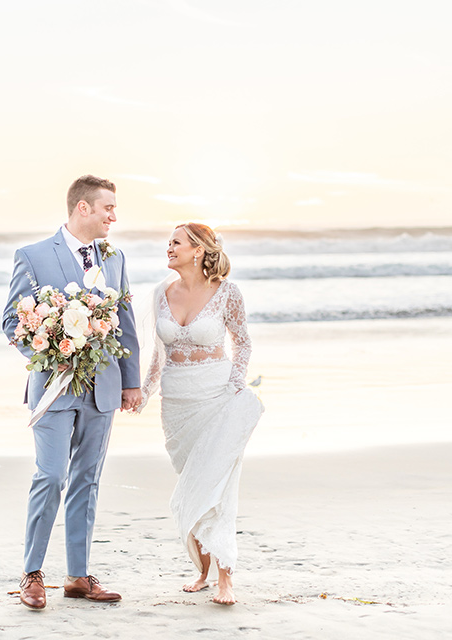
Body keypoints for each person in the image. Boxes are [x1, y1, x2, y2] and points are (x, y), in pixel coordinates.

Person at [2, 175, 142, 610]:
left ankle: (79, 577)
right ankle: (32, 574)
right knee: (52, 475)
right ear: (83, 208)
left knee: (88, 478)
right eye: (107, 209)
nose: (113, 217)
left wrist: (131, 380)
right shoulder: (34, 256)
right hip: (54, 387)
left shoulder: (115, 258)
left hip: (103, 388)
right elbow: (12, 321)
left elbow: (126, 320)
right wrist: (47, 344)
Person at [135, 222, 263, 605]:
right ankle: (202, 571)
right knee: (193, 482)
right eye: (169, 243)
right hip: (176, 404)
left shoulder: (228, 293)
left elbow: (242, 343)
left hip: (217, 397)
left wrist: (236, 384)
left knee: (219, 486)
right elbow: (159, 357)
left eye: (176, 242)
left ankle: (225, 578)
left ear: (198, 250)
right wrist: (141, 394)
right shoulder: (161, 293)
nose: (168, 248)